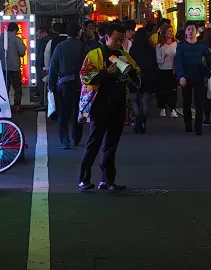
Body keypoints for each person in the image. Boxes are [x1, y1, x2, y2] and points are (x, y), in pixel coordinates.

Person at [78, 22, 139, 192]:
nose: (119, 43)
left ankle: (107, 180)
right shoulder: (94, 54)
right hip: (99, 105)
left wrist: (131, 73)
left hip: (118, 105)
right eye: (116, 40)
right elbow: (85, 76)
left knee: (111, 144)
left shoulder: (123, 55)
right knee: (94, 142)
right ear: (106, 37)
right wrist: (106, 73)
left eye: (122, 40)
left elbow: (136, 72)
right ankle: (84, 179)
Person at [48, 20, 86, 149]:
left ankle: (65, 141)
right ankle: (76, 137)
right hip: (80, 84)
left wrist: (51, 83)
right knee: (78, 111)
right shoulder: (83, 47)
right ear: (79, 32)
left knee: (63, 113)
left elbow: (53, 66)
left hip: (63, 84)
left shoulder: (60, 46)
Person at [174, 22, 211, 136]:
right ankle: (188, 124)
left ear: (196, 31)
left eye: (192, 29)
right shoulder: (181, 45)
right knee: (187, 101)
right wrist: (181, 76)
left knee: (199, 102)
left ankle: (198, 127)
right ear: (185, 32)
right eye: (188, 29)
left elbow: (209, 57)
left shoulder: (202, 44)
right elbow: (179, 61)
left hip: (199, 75)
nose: (191, 31)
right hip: (186, 76)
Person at [128, 25, 158, 133]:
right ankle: (143, 121)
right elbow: (155, 63)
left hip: (136, 75)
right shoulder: (150, 49)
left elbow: (130, 62)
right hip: (148, 75)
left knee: (135, 99)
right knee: (145, 99)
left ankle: (138, 118)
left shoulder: (133, 48)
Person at [0, 22, 26, 112]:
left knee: (4, 87)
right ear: (15, 30)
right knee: (17, 87)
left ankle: (4, 106)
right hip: (14, 67)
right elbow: (22, 51)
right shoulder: (16, 39)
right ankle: (17, 105)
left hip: (2, 67)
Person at [155, 24, 179, 116]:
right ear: (164, 33)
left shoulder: (176, 44)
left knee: (173, 90)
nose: (171, 33)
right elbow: (158, 60)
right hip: (162, 70)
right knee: (162, 90)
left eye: (172, 31)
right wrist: (163, 58)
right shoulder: (159, 46)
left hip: (172, 70)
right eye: (169, 31)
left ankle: (173, 109)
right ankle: (162, 108)